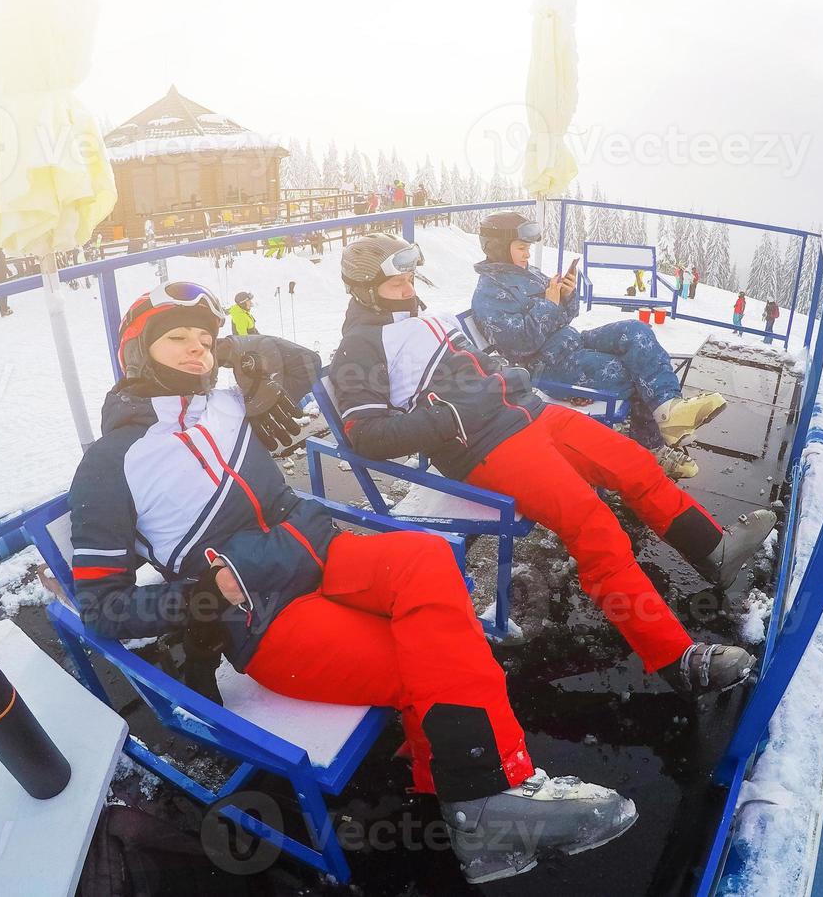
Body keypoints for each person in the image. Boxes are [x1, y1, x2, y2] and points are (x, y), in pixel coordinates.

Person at [68, 281, 634, 882]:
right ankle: (493, 800)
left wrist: (249, 348)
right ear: (136, 351)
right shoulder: (109, 464)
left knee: (426, 559)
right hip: (267, 617)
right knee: (431, 663)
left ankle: (477, 795)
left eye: (206, 341)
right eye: (177, 339)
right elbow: (101, 608)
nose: (197, 352)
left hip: (324, 555)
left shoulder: (228, 404)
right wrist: (202, 597)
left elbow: (309, 366)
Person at [330, 233, 776, 700]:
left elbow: (477, 365)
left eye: (409, 279)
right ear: (363, 288)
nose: (408, 288)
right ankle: (673, 658)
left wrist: (506, 376)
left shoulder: (421, 320)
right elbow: (368, 436)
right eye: (396, 284)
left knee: (637, 466)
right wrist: (453, 416)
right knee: (593, 526)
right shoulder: (360, 347)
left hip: (529, 412)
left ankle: (714, 553)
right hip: (487, 445)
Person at [470, 213, 726, 479]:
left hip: (572, 343)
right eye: (521, 248)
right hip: (546, 366)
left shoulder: (528, 273)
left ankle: (669, 409)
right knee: (634, 373)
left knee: (636, 330)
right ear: (498, 248)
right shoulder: (488, 294)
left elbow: (564, 315)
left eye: (528, 248)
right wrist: (549, 303)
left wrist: (566, 296)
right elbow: (520, 344)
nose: (527, 254)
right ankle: (652, 451)